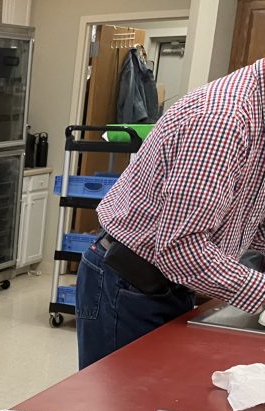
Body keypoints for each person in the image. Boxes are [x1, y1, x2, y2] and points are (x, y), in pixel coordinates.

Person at [77, 60, 265, 368]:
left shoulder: (257, 115)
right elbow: (180, 246)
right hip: (131, 283)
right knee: (123, 398)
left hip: (172, 282)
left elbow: (244, 216)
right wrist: (261, 292)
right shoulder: (224, 121)